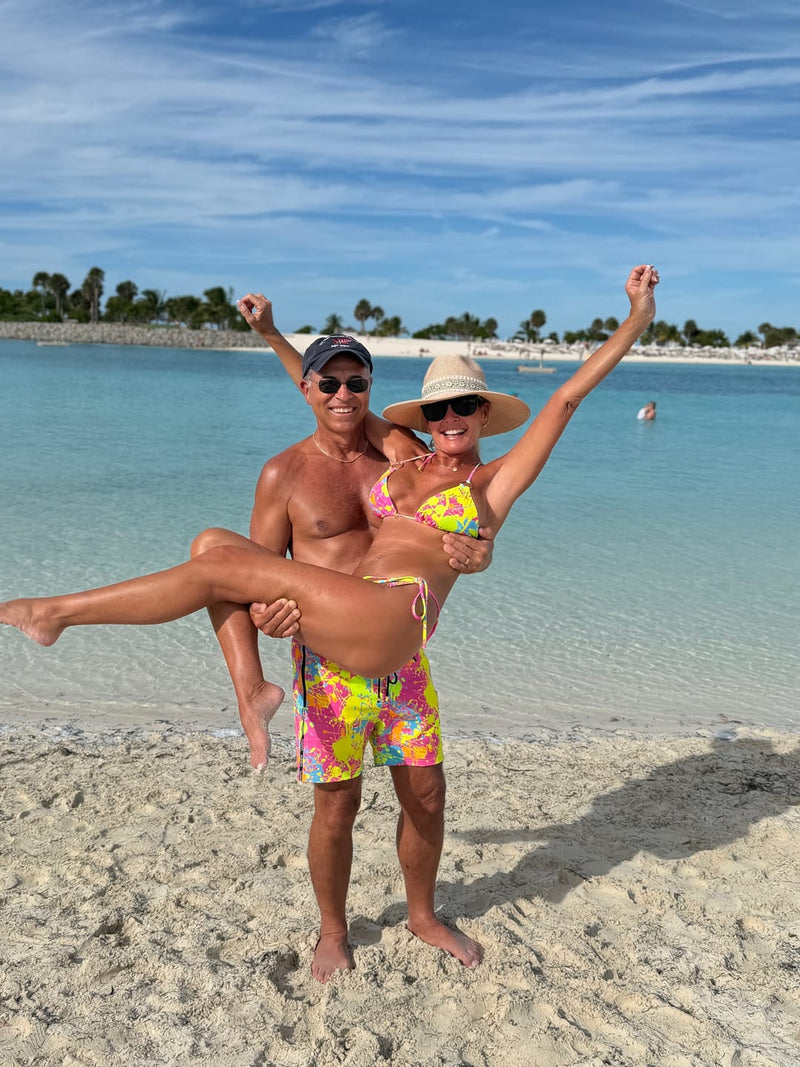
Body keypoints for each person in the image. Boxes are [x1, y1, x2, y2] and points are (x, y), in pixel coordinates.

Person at [1, 263, 658, 966]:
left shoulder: (490, 483)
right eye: (438, 409)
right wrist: (271, 334)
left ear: (485, 416)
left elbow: (564, 400)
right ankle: (333, 927)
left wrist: (637, 319)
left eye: (465, 407)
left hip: (396, 633)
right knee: (214, 547)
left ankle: (58, 613)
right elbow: (328, 394)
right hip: (341, 646)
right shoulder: (401, 457)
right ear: (423, 418)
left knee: (426, 794)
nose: (450, 419)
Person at [191, 316, 494, 981]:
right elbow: (252, 575)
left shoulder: (401, 452)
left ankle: (422, 914)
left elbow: (466, 503)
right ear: (307, 389)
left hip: (401, 656)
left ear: (370, 387)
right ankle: (333, 928)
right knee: (337, 804)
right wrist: (267, 619)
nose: (343, 394)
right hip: (326, 665)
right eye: (328, 383)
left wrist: (482, 551)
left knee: (427, 793)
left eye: (356, 382)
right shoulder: (284, 474)